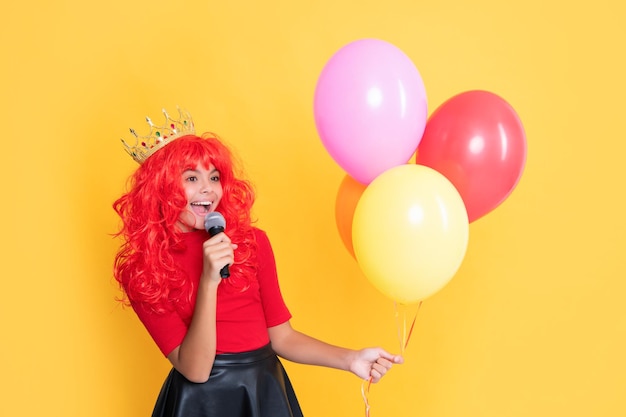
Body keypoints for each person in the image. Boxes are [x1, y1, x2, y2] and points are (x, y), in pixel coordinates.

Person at [113, 107, 403, 417]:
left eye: (214, 176)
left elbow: (283, 337)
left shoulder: (252, 243)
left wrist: (351, 359)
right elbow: (196, 370)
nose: (207, 188)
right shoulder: (143, 271)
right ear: (161, 187)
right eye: (191, 178)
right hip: (200, 403)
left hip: (262, 391)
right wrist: (210, 280)